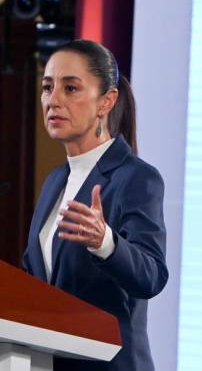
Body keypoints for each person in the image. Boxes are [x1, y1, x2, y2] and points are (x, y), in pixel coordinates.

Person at [21, 39, 168, 371]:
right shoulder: (55, 181)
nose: (53, 100)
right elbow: (36, 278)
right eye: (47, 87)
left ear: (106, 101)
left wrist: (105, 242)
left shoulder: (136, 178)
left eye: (70, 88)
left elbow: (152, 276)